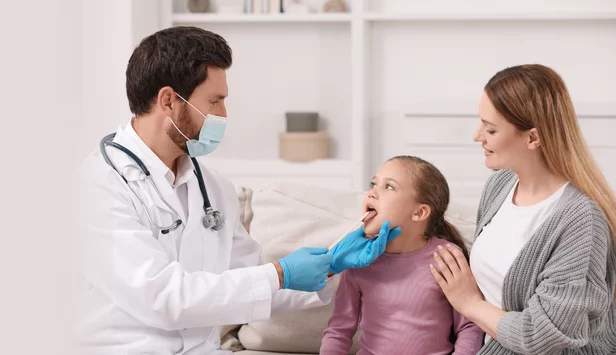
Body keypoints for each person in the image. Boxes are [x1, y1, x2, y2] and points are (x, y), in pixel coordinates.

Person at [73, 26, 401, 355]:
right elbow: (163, 299)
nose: (223, 115)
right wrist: (279, 273)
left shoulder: (212, 187)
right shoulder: (100, 184)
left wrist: (332, 264)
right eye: (214, 101)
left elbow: (250, 286)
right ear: (169, 100)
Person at [429, 64, 616, 354]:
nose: (477, 136)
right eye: (481, 123)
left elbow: (542, 337)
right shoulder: (500, 185)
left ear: (533, 137)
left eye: (491, 129)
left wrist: (469, 303)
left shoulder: (581, 222)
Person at [320, 156, 484, 354]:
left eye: (389, 187)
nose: (372, 192)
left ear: (419, 213)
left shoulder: (447, 256)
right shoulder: (357, 260)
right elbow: (338, 331)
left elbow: (469, 327)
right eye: (374, 184)